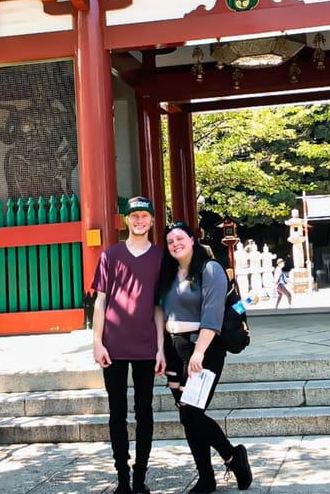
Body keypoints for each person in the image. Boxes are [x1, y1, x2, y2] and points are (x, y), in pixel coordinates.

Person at [158, 221, 253, 492]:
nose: (175, 243)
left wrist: (199, 351)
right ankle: (206, 477)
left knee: (191, 413)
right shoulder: (170, 273)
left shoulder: (209, 269)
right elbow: (161, 312)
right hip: (175, 348)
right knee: (187, 414)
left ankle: (233, 457)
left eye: (180, 238)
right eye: (170, 241)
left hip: (204, 347)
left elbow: (213, 314)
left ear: (192, 239)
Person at [91, 196, 166, 494]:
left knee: (144, 412)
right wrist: (97, 342)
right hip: (114, 345)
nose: (138, 220)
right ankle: (122, 476)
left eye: (144, 216)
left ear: (151, 220)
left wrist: (161, 347)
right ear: (126, 220)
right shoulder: (111, 256)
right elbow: (100, 301)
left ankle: (140, 476)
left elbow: (160, 307)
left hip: (147, 345)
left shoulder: (161, 257)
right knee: (117, 412)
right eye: (133, 215)